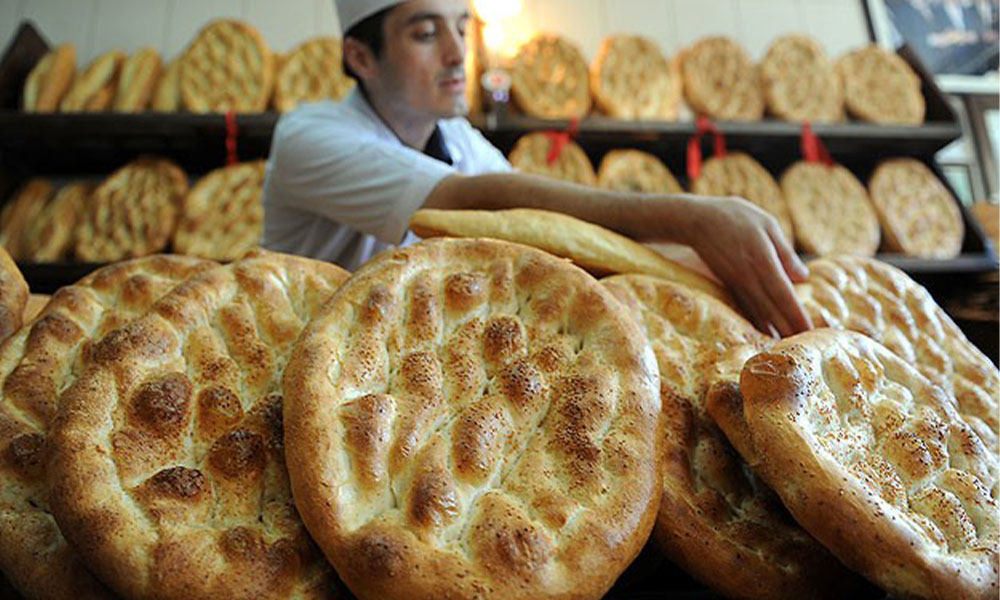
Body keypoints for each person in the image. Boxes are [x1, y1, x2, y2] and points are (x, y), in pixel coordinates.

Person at [263, 0, 812, 337]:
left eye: (462, 26)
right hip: (312, 359)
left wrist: (700, 268)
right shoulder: (309, 137)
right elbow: (481, 202)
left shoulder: (455, 137)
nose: (459, 53)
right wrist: (688, 217)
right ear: (360, 57)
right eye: (427, 33)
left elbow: (550, 232)